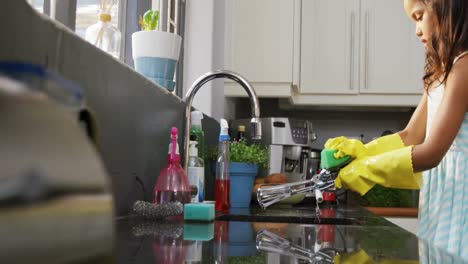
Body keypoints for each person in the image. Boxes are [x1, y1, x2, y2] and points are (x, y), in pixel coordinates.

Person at [324, 0, 467, 259]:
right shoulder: (439, 74)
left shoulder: (464, 68)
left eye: (419, 16)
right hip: (440, 198)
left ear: (446, 7)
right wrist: (362, 153)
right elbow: (411, 135)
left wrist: (368, 169)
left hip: (461, 199)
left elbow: (433, 152)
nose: (416, 30)